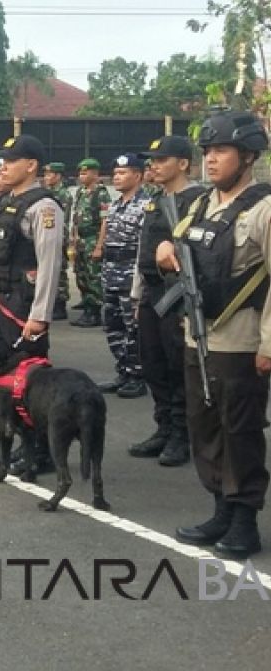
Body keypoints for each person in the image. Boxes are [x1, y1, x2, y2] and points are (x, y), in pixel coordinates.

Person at [164, 110, 271, 559]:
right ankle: (220, 508)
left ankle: (244, 518)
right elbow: (181, 247)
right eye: (207, 151)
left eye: (221, 151)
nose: (210, 159)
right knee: (204, 425)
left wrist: (269, 342)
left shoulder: (264, 209)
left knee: (240, 430)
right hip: (198, 335)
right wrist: (167, 249)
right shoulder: (202, 204)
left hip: (240, 341)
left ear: (247, 156)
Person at [0, 135, 64, 471]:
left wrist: (39, 316)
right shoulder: (6, 201)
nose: (3, 167)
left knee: (33, 383)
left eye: (11, 161)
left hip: (23, 307)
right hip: (1, 301)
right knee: (10, 380)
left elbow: (49, 265)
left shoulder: (43, 208)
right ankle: (26, 445)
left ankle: (43, 452)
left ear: (31, 166)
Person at [129, 135, 203, 467]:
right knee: (153, 363)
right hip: (152, 292)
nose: (154, 166)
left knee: (178, 366)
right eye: (152, 161)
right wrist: (136, 294)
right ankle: (164, 427)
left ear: (183, 163)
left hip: (178, 295)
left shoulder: (198, 200)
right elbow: (143, 253)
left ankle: (181, 435)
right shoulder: (155, 200)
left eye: (162, 160)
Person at [96, 153, 149, 399]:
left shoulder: (146, 205)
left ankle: (137, 375)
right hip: (111, 272)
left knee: (133, 328)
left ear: (137, 175)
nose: (117, 177)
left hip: (131, 273)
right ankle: (123, 371)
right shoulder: (116, 204)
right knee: (113, 325)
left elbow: (144, 246)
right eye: (115, 173)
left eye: (123, 173)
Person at [70, 159, 112, 328]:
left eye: (85, 173)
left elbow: (105, 221)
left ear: (95, 174)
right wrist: (73, 238)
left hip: (92, 239)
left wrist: (99, 246)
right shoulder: (81, 191)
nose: (82, 176)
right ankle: (86, 304)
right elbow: (76, 217)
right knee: (81, 275)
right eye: (80, 173)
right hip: (81, 240)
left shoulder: (101, 193)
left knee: (93, 276)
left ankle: (94, 311)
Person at [43, 161, 73, 320]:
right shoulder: (48, 192)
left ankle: (60, 304)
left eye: (49, 174)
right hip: (49, 234)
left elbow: (62, 217)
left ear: (58, 176)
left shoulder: (63, 194)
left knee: (59, 269)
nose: (46, 177)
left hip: (59, 234)